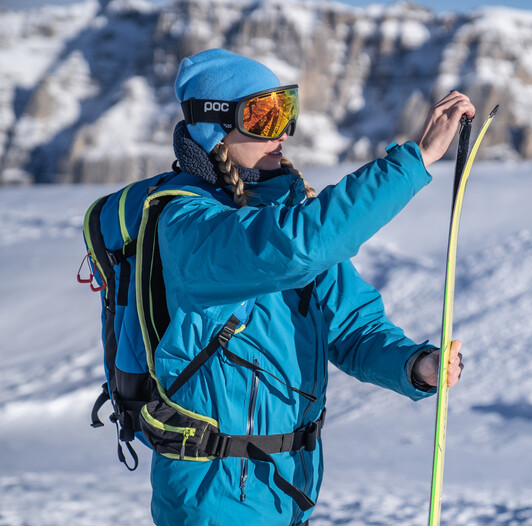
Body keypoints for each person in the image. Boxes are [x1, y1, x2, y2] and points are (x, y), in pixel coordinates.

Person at [147, 48, 472, 525]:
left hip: (286, 488)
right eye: (260, 116)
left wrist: (413, 364)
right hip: (212, 497)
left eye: (284, 111)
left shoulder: (277, 213)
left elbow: (353, 329)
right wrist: (415, 161)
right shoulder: (191, 227)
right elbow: (299, 245)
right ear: (213, 127)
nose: (279, 131)